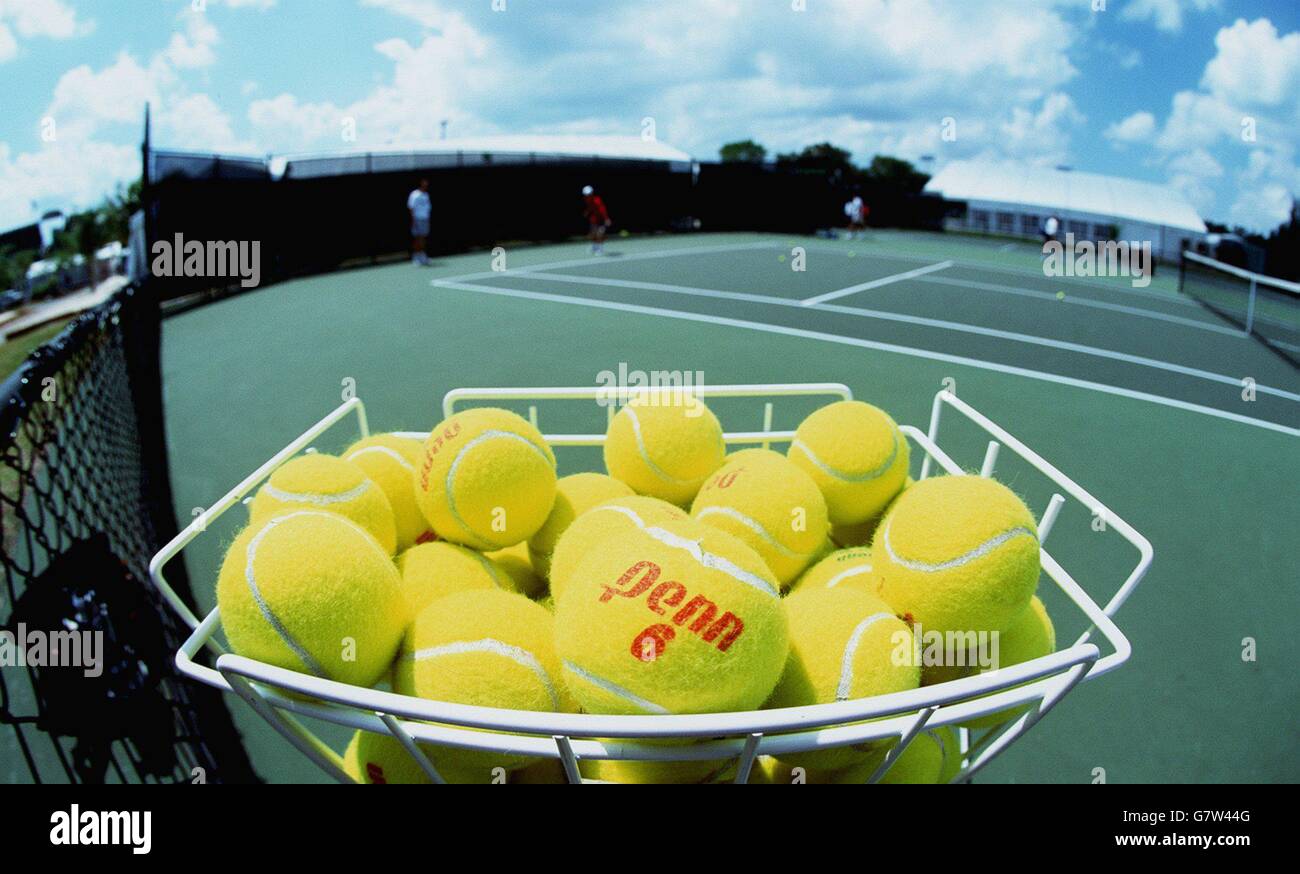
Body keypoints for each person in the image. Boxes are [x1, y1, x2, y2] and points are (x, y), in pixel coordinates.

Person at [408, 178, 432, 265]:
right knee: (418, 238)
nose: (425, 185)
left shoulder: (426, 195)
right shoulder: (414, 194)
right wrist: (413, 220)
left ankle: (422, 256)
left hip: (425, 219)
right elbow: (411, 207)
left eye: (426, 184)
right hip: (417, 219)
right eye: (424, 184)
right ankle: (416, 257)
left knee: (423, 238)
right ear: (420, 184)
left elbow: (428, 208)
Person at [582, 185, 611, 255]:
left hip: (601, 219)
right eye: (586, 194)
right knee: (593, 234)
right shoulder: (586, 199)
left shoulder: (597, 200)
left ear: (592, 193)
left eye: (589, 194)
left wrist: (606, 219)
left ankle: (600, 249)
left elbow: (603, 210)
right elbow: (590, 207)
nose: (587, 196)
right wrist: (587, 212)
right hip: (594, 219)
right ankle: (595, 247)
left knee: (599, 235)